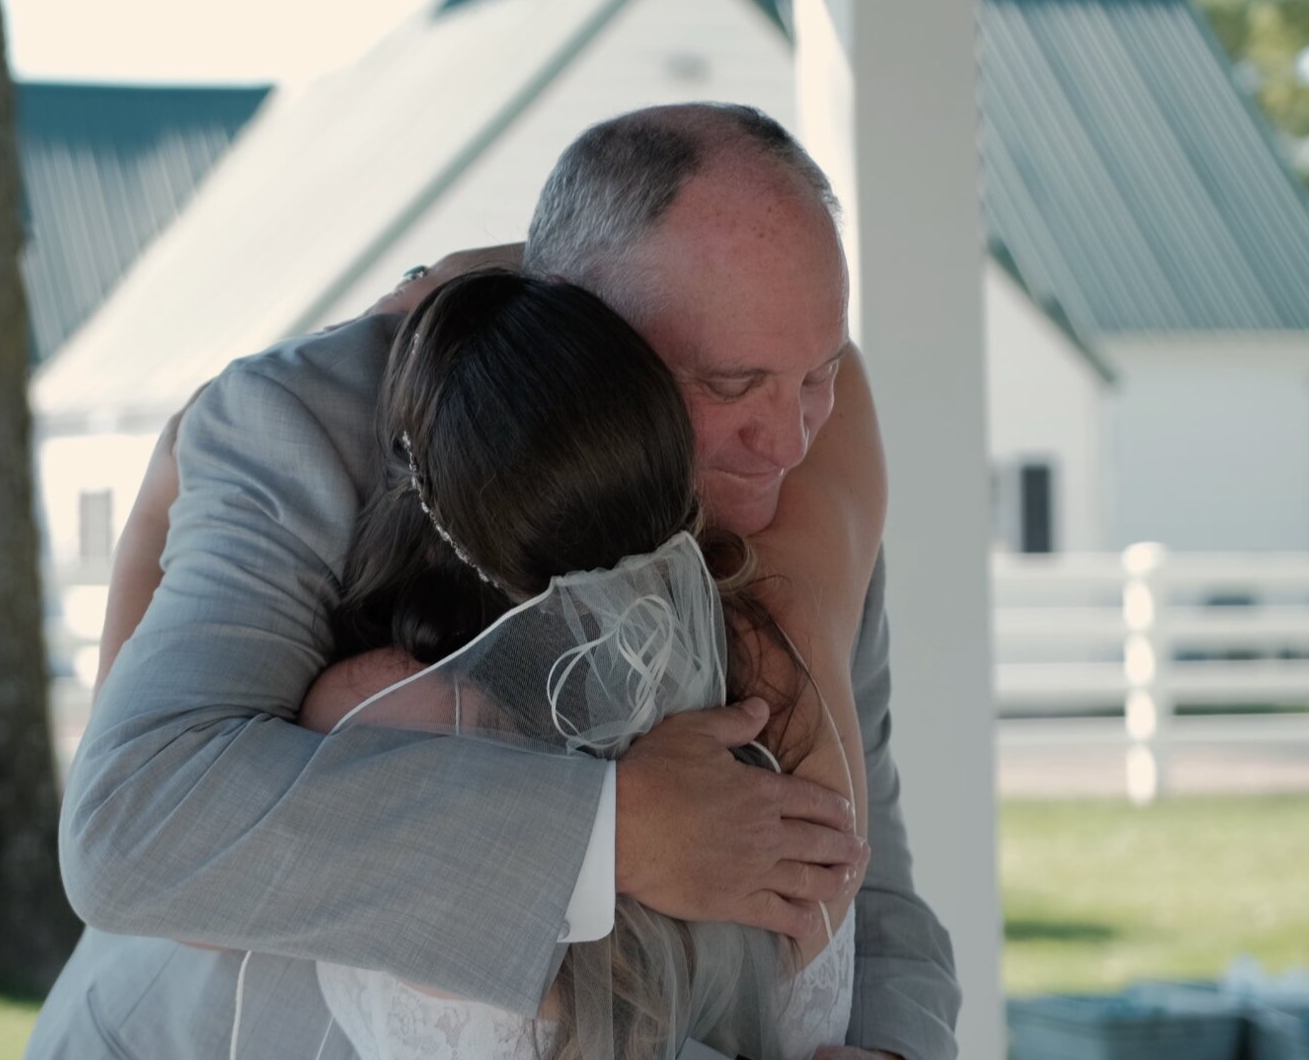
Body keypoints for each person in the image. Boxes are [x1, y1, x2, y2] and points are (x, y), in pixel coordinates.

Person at [26, 104, 959, 1060]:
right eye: (728, 385)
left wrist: (896, 1048)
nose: (789, 441)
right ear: (573, 323)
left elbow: (869, 865)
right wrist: (615, 834)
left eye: (819, 375)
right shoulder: (301, 428)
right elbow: (135, 827)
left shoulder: (787, 484)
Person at [289, 266, 881, 1059]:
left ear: (419, 495)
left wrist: (429, 283)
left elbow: (173, 859)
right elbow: (834, 356)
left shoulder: (373, 716)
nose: (785, 433)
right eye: (728, 384)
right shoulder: (778, 639)